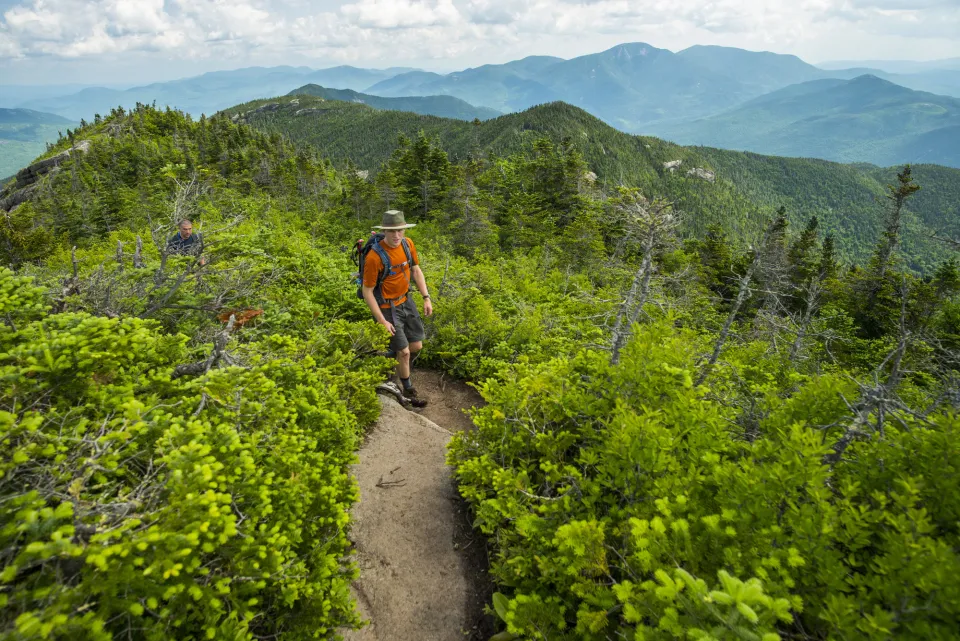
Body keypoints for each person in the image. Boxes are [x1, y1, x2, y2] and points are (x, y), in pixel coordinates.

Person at [361, 210, 434, 402]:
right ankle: (407, 389)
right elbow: (367, 292)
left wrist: (426, 297)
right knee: (405, 352)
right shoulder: (374, 257)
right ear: (384, 231)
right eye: (392, 231)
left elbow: (416, 270)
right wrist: (382, 321)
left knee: (416, 345)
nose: (396, 235)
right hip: (387, 307)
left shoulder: (407, 245)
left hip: (406, 301)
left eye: (400, 230)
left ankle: (387, 355)